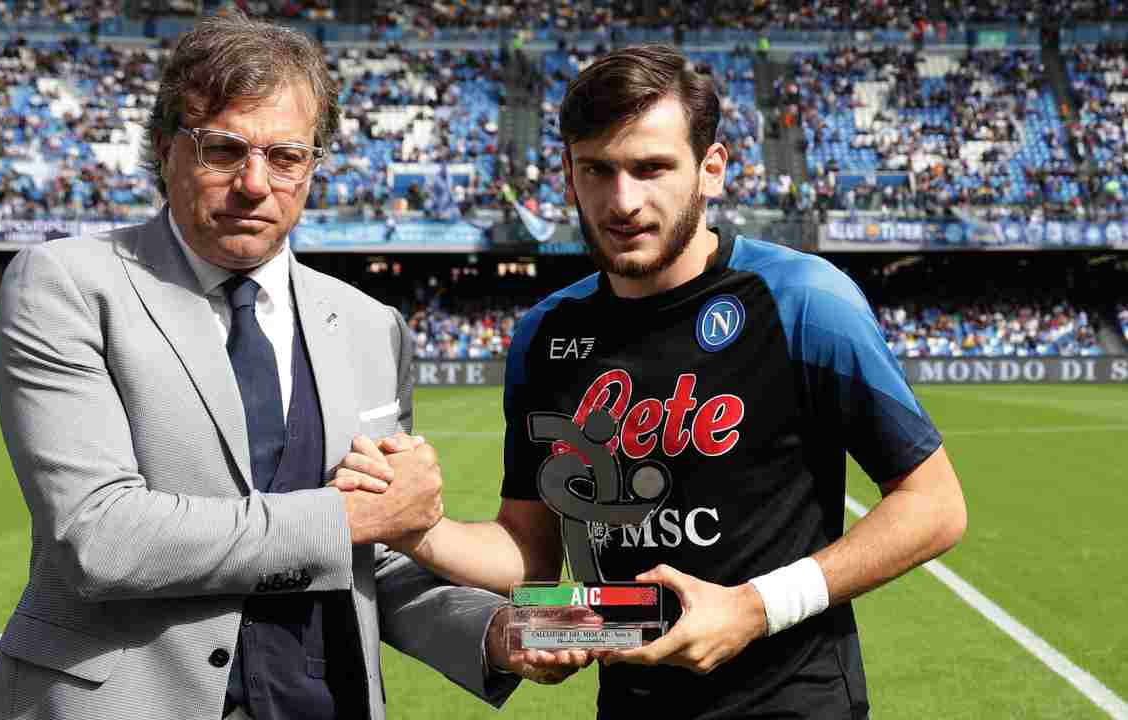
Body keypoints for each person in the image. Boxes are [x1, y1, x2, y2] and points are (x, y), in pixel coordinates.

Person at [0, 12, 583, 720]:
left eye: (286, 157)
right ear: (166, 149)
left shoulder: (370, 326)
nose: (254, 184)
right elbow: (100, 536)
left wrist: (494, 630)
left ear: (313, 166)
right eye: (223, 150)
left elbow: (370, 554)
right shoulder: (68, 284)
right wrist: (346, 516)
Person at [345, 45, 967, 719]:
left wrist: (755, 608)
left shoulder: (803, 300)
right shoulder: (545, 335)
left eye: (652, 168)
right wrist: (416, 529)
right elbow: (529, 554)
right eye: (597, 169)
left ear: (711, 169)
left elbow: (934, 506)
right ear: (568, 173)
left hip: (794, 705)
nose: (623, 202)